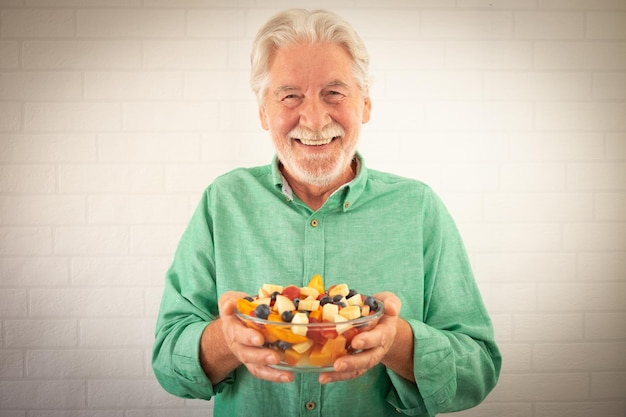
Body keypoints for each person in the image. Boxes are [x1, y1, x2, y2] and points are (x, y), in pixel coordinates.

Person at [152, 8, 501, 416]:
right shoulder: (223, 201)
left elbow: (478, 371)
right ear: (264, 112)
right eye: (290, 96)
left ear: (366, 105)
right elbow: (166, 362)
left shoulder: (418, 208)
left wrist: (398, 342)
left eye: (334, 93)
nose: (315, 119)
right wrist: (227, 340)